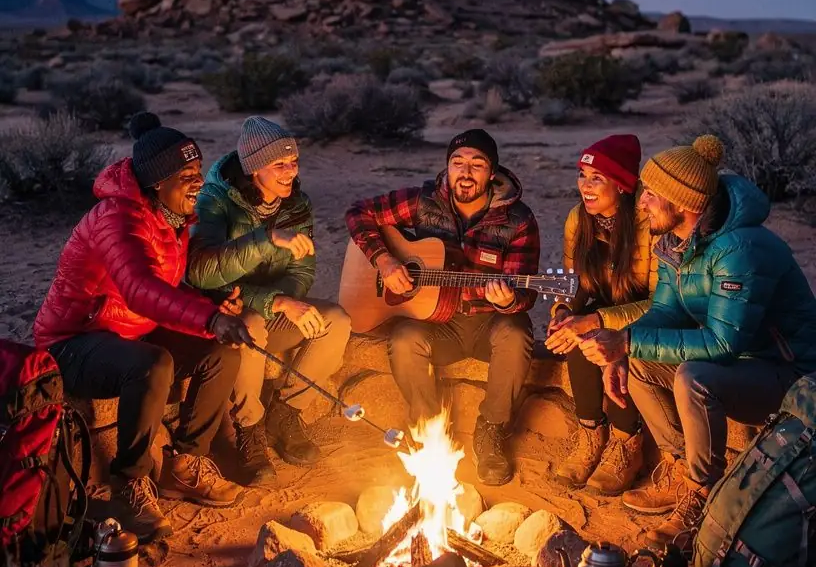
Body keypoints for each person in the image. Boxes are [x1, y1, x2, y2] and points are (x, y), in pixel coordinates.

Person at [582, 134, 816, 550]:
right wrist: (624, 350)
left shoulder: (740, 249)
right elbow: (666, 313)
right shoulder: (674, 242)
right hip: (740, 362)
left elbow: (723, 342)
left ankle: (701, 496)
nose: (640, 203)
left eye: (651, 195)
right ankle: (677, 470)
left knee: (693, 377)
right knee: (636, 360)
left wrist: (629, 339)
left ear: (684, 203)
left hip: (788, 373)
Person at [34, 113, 257, 542]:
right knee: (154, 364)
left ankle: (188, 463)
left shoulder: (173, 220)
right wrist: (210, 317)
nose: (197, 182)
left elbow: (166, 287)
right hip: (74, 340)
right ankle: (129, 482)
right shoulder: (116, 218)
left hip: (132, 328)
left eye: (198, 171)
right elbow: (138, 288)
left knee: (220, 349)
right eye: (186, 175)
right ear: (157, 182)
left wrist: (212, 308)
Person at [345, 129, 541, 487]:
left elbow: (525, 295)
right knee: (404, 340)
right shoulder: (423, 202)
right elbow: (359, 213)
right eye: (457, 163)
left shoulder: (518, 220)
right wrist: (385, 261)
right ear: (447, 167)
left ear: (493, 172)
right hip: (437, 323)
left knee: (516, 332)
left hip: (487, 323)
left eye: (477, 165)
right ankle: (428, 430)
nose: (465, 173)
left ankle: (492, 431)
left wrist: (510, 300)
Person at [187, 116, 351, 481]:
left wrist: (287, 302)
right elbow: (202, 275)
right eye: (279, 164)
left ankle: (287, 413)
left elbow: (302, 271)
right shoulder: (214, 203)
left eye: (293, 162)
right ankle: (250, 428)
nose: (290, 172)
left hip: (272, 304)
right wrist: (274, 302)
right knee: (252, 325)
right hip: (228, 314)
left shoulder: (296, 205)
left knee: (336, 321)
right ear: (253, 167)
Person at [545, 134, 657, 495]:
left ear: (622, 186)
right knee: (579, 340)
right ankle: (591, 434)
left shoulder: (647, 224)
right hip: (603, 310)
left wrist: (596, 322)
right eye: (582, 175)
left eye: (597, 179)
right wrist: (563, 313)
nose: (585, 187)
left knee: (611, 349)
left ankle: (627, 443)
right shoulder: (579, 219)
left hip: (648, 316)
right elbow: (571, 282)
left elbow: (660, 301)